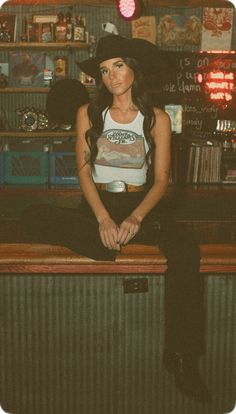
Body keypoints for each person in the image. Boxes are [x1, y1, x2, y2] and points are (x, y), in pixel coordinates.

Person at [22, 34, 210, 403]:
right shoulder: (89, 114)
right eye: (105, 70)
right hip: (97, 209)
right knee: (33, 216)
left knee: (186, 251)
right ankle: (106, 242)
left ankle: (182, 357)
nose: (110, 76)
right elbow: (83, 171)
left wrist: (135, 219)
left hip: (141, 209)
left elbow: (161, 181)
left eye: (118, 66)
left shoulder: (156, 118)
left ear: (134, 70)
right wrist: (105, 220)